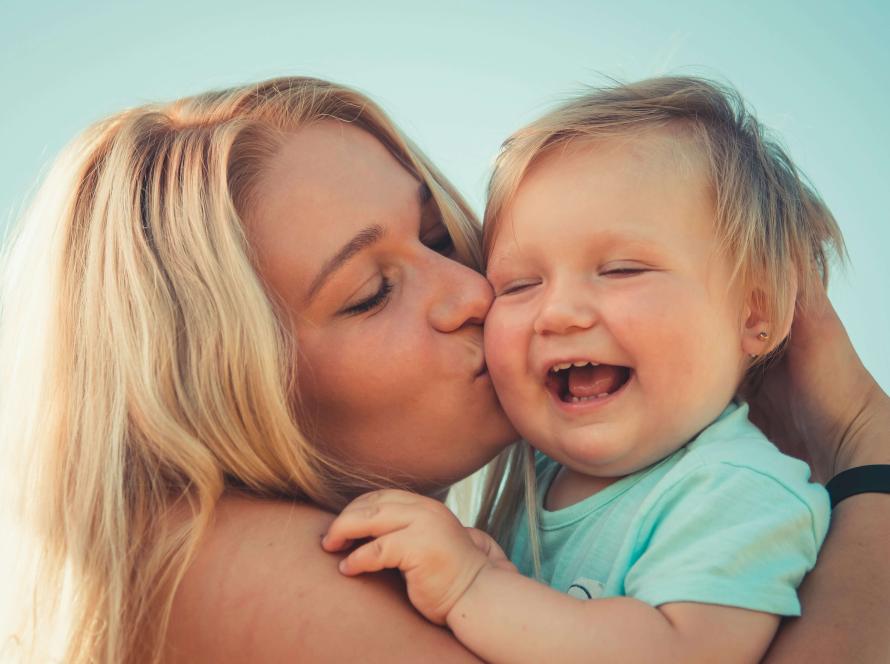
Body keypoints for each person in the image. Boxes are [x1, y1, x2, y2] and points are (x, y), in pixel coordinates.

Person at [1, 76, 887, 664]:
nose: (473, 290)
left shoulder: (660, 489)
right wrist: (864, 445)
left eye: (436, 238)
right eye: (369, 292)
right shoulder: (218, 561)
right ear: (222, 390)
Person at [322, 77, 842, 663]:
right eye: (519, 285)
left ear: (757, 312)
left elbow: (681, 654)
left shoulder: (739, 488)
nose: (559, 313)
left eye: (621, 270)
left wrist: (474, 587)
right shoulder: (531, 477)